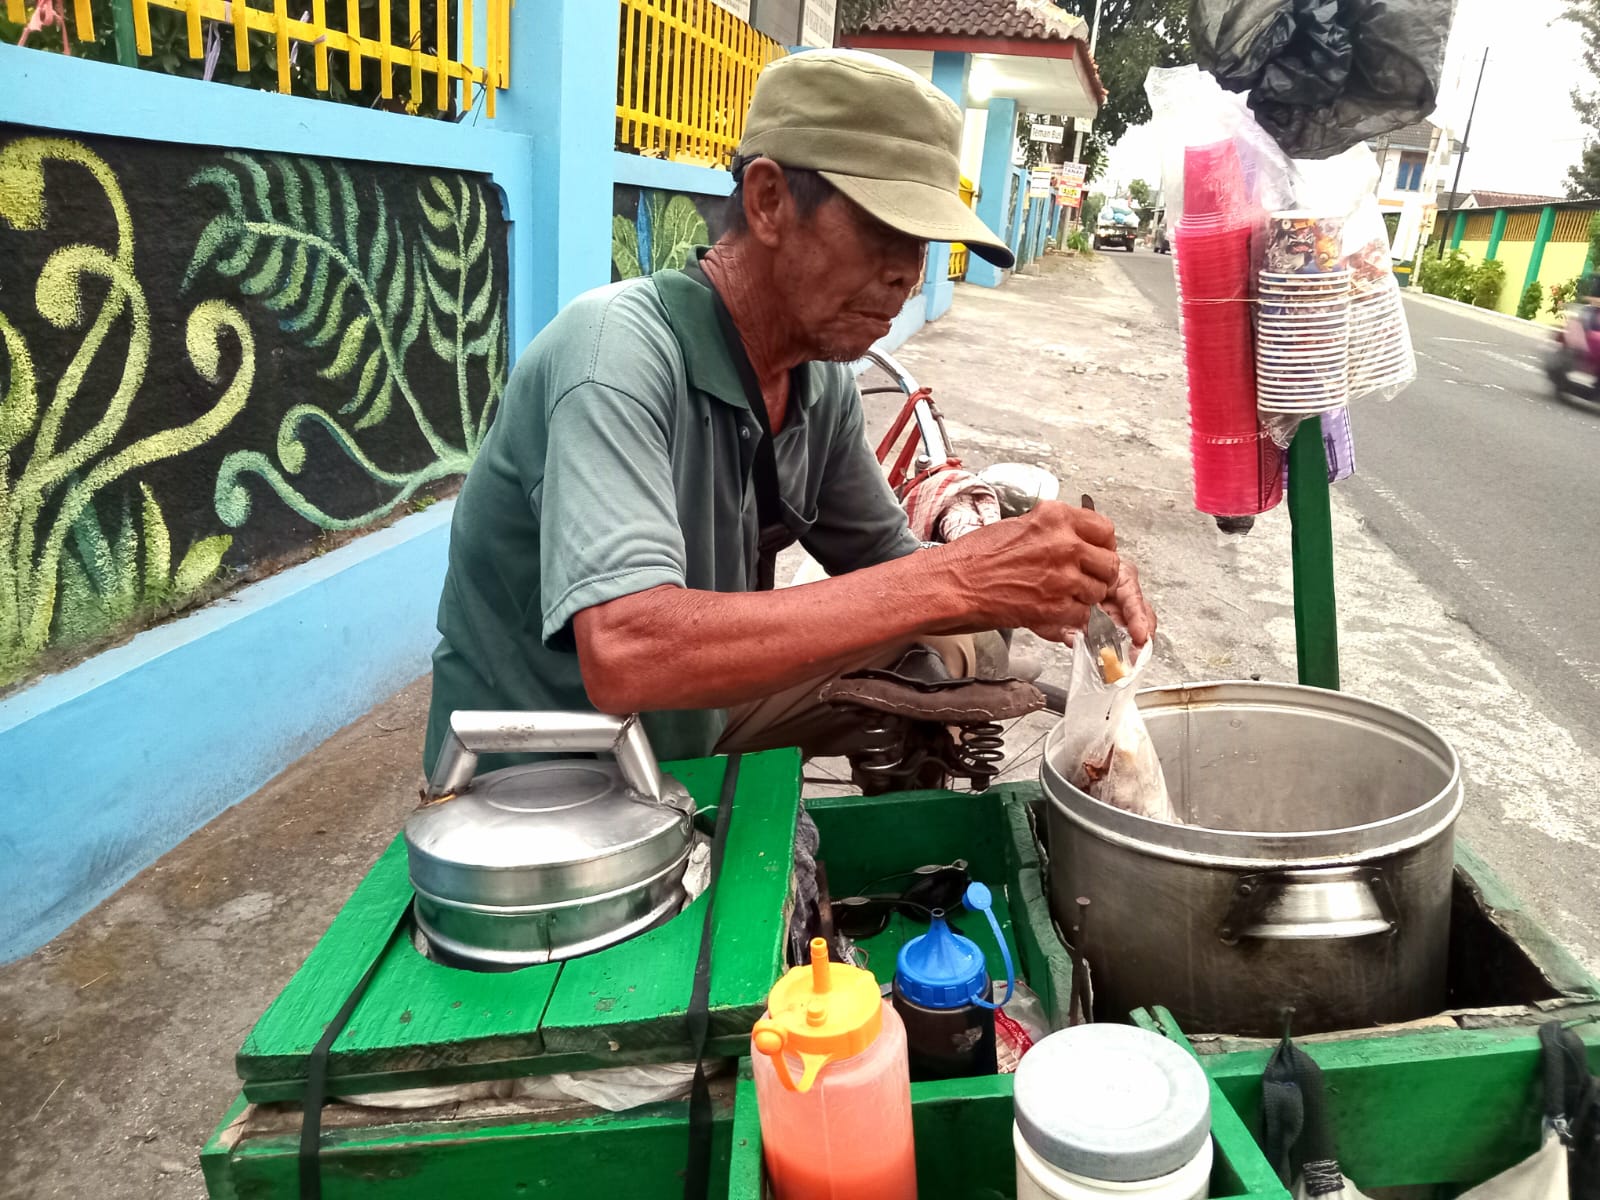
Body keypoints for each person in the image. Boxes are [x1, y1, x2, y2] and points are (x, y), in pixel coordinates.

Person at [422, 49, 1154, 775]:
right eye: (882, 229)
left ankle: (897, 813)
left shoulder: (817, 382)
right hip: (546, 774)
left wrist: (1047, 581)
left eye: (923, 242)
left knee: (965, 646)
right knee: (948, 604)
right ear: (769, 201)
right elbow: (626, 653)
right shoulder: (613, 356)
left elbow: (889, 568)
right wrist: (964, 577)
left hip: (689, 722)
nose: (908, 273)